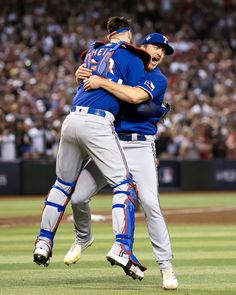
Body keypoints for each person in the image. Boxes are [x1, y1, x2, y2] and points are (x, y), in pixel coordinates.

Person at [33, 16, 151, 281]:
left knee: (62, 185)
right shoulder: (132, 56)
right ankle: (122, 247)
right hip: (98, 122)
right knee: (124, 186)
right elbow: (134, 98)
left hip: (71, 119)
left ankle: (43, 241)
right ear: (128, 34)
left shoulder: (93, 52)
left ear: (109, 35)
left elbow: (85, 75)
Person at [64, 33, 179, 290]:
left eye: (163, 50)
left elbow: (135, 98)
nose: (159, 53)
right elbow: (91, 76)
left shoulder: (158, 78)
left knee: (150, 205)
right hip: (110, 143)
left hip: (139, 146)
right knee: (78, 196)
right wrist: (82, 74)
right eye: (155, 46)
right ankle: (83, 238)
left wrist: (101, 81)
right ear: (142, 47)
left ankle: (166, 267)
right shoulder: (124, 65)